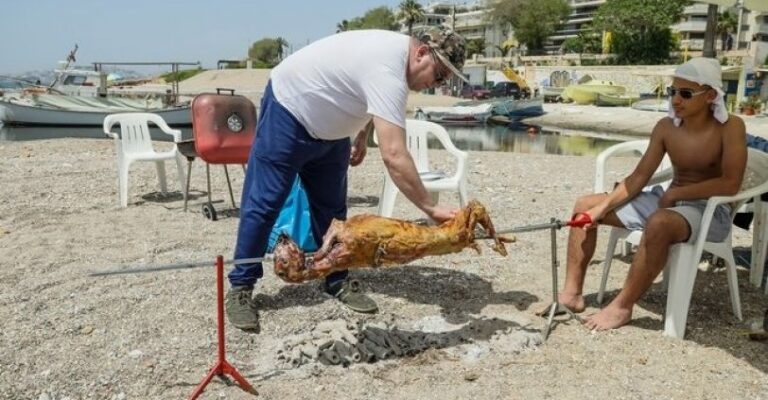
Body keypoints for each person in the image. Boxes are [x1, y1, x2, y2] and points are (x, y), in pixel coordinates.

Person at [226, 27, 469, 331]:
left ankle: (336, 279)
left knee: (331, 210)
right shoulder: (387, 67)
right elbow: (394, 154)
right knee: (263, 204)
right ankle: (241, 287)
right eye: (440, 74)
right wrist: (429, 209)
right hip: (290, 110)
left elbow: (362, 90)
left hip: (333, 130)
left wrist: (362, 133)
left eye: (445, 80)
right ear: (421, 53)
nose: (437, 84)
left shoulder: (396, 65)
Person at [556, 57, 747, 331]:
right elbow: (638, 178)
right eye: (673, 92)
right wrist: (599, 210)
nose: (676, 100)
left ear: (711, 96)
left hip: (709, 211)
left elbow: (731, 184)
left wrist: (680, 193)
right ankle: (572, 294)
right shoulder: (666, 128)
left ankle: (622, 307)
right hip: (669, 202)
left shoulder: (731, 128)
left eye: (685, 93)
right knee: (584, 205)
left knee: (660, 222)